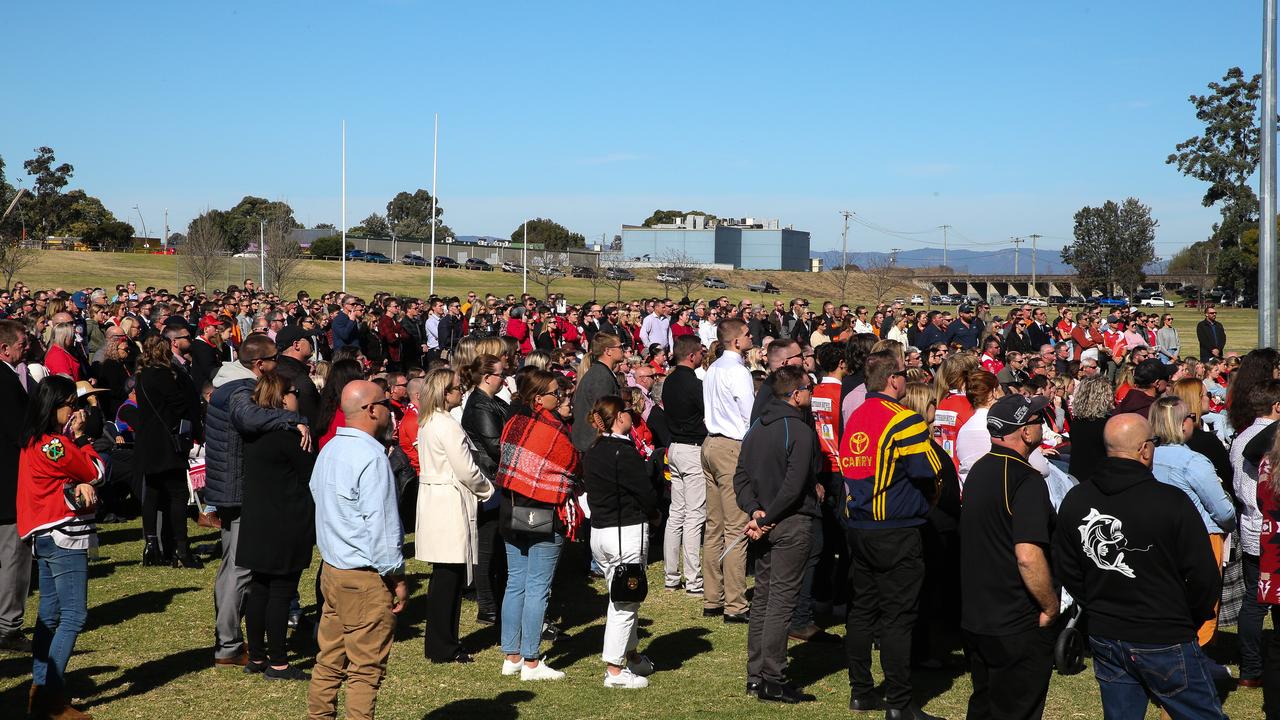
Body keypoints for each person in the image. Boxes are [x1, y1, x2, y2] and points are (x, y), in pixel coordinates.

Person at [1053, 413, 1225, 719]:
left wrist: (1096, 603)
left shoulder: (1077, 498)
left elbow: (1066, 567)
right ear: (1145, 449)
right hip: (1163, 634)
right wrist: (1189, 617)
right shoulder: (1171, 502)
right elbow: (1204, 575)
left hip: (1109, 632)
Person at [840, 349, 943, 720]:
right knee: (898, 617)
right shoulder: (904, 420)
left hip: (859, 526)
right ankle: (899, 702)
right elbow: (929, 471)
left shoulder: (855, 416)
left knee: (863, 610)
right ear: (893, 380)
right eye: (903, 374)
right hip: (896, 529)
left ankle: (861, 691)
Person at [205, 333, 311, 666]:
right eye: (274, 359)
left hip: (228, 487)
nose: (278, 364)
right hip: (239, 490)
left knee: (231, 566)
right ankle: (229, 644)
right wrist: (292, 420)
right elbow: (249, 418)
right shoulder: (239, 390)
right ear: (259, 364)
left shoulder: (226, 386)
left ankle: (229, 638)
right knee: (240, 569)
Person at [307, 380, 407, 720]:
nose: (391, 412)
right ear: (372, 409)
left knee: (329, 660)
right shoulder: (371, 458)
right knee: (365, 671)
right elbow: (381, 528)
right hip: (363, 577)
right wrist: (396, 576)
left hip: (333, 570)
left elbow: (317, 495)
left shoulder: (330, 449)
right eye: (387, 405)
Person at [960, 394, 1058, 720]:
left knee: (984, 705)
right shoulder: (1025, 479)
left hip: (978, 617)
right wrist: (1049, 605)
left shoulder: (979, 471)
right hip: (1015, 622)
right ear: (1025, 432)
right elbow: (1028, 556)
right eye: (1036, 420)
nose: (1041, 424)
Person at [17, 374, 104, 720]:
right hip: (63, 532)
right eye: (72, 403)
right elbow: (95, 470)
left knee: (50, 616)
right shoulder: (54, 444)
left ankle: (41, 690)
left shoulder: (34, 441)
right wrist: (82, 438)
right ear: (54, 406)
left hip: (45, 535)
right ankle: (51, 697)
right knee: (73, 615)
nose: (76, 410)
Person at [734, 366, 820, 703]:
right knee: (780, 601)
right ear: (796, 394)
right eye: (808, 389)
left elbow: (740, 477)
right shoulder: (797, 430)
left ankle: (756, 674)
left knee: (766, 600)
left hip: (766, 521)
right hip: (789, 521)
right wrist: (763, 514)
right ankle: (771, 676)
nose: (810, 394)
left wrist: (756, 511)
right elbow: (795, 484)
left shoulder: (757, 427)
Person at [497, 369, 581, 681]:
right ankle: (531, 660)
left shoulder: (513, 423)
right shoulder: (553, 429)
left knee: (516, 582)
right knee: (536, 587)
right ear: (538, 398)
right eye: (555, 393)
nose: (560, 397)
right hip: (544, 511)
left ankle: (512, 655)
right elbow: (571, 465)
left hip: (512, 509)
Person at [236, 372, 317, 681]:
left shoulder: (254, 433)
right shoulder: (292, 435)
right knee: (281, 590)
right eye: (294, 391)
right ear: (284, 397)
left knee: (260, 588)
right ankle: (279, 661)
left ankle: (257, 656)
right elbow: (311, 473)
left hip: (259, 518)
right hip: (285, 518)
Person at [1149, 395, 1235, 672]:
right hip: (1201, 537)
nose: (1194, 422)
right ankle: (1193, 666)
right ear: (1180, 424)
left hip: (1159, 538)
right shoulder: (1194, 462)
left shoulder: (1147, 457)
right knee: (1203, 604)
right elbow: (1222, 511)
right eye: (1191, 417)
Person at [415, 368, 495, 664]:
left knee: (445, 576)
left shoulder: (430, 422)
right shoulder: (445, 424)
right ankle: (443, 645)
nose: (462, 392)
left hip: (438, 499)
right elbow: (466, 469)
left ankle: (444, 641)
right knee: (449, 576)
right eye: (457, 388)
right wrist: (488, 490)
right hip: (448, 501)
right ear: (444, 392)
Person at [583, 396, 659, 688]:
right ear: (618, 418)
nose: (631, 415)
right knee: (624, 602)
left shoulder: (593, 450)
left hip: (602, 534)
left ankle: (632, 656)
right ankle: (614, 671)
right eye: (627, 412)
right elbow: (644, 492)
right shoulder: (621, 452)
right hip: (622, 533)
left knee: (625, 599)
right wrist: (653, 512)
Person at [133, 331, 203, 569]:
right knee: (177, 494)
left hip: (147, 441)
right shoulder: (163, 374)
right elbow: (179, 405)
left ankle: (152, 545)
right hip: (166, 442)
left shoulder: (141, 375)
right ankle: (180, 548)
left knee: (152, 493)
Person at [701, 318, 755, 624]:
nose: (750, 338)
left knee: (715, 526)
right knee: (735, 528)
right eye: (747, 334)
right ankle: (734, 603)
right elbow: (749, 417)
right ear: (736, 341)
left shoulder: (715, 368)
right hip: (730, 447)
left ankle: (713, 597)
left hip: (711, 444)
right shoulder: (736, 370)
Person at [1234, 380, 1280, 688]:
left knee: (1258, 600)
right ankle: (1253, 667)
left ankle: (1254, 666)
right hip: (1266, 528)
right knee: (1257, 602)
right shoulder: (1267, 440)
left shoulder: (1242, 435)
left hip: (1254, 525)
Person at [461, 354, 511, 625]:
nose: (504, 378)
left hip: (496, 478)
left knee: (495, 544)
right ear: (487, 377)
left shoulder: (492, 401)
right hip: (490, 481)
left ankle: (496, 600)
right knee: (487, 545)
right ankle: (487, 605)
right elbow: (495, 445)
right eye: (501, 374)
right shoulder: (480, 405)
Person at [662, 335, 707, 595]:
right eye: (700, 353)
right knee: (694, 515)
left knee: (677, 513)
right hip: (690, 449)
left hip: (676, 448)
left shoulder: (668, 381)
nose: (702, 356)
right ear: (691, 356)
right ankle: (693, 580)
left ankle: (671, 576)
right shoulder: (693, 383)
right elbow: (706, 413)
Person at [0, 320, 32, 654]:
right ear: (4, 348)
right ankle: (8, 626)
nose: (27, 346)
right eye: (21, 342)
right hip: (9, 483)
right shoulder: (7, 381)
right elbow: (20, 432)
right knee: (15, 556)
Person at [571, 332, 624, 451]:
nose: (622, 350)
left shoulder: (602, 373)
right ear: (608, 351)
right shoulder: (600, 377)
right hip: (594, 444)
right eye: (620, 347)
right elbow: (605, 415)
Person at [1067, 375, 1114, 485]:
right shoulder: (1107, 425)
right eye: (1109, 394)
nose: (1112, 397)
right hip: (1099, 481)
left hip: (1077, 478)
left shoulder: (1076, 422)